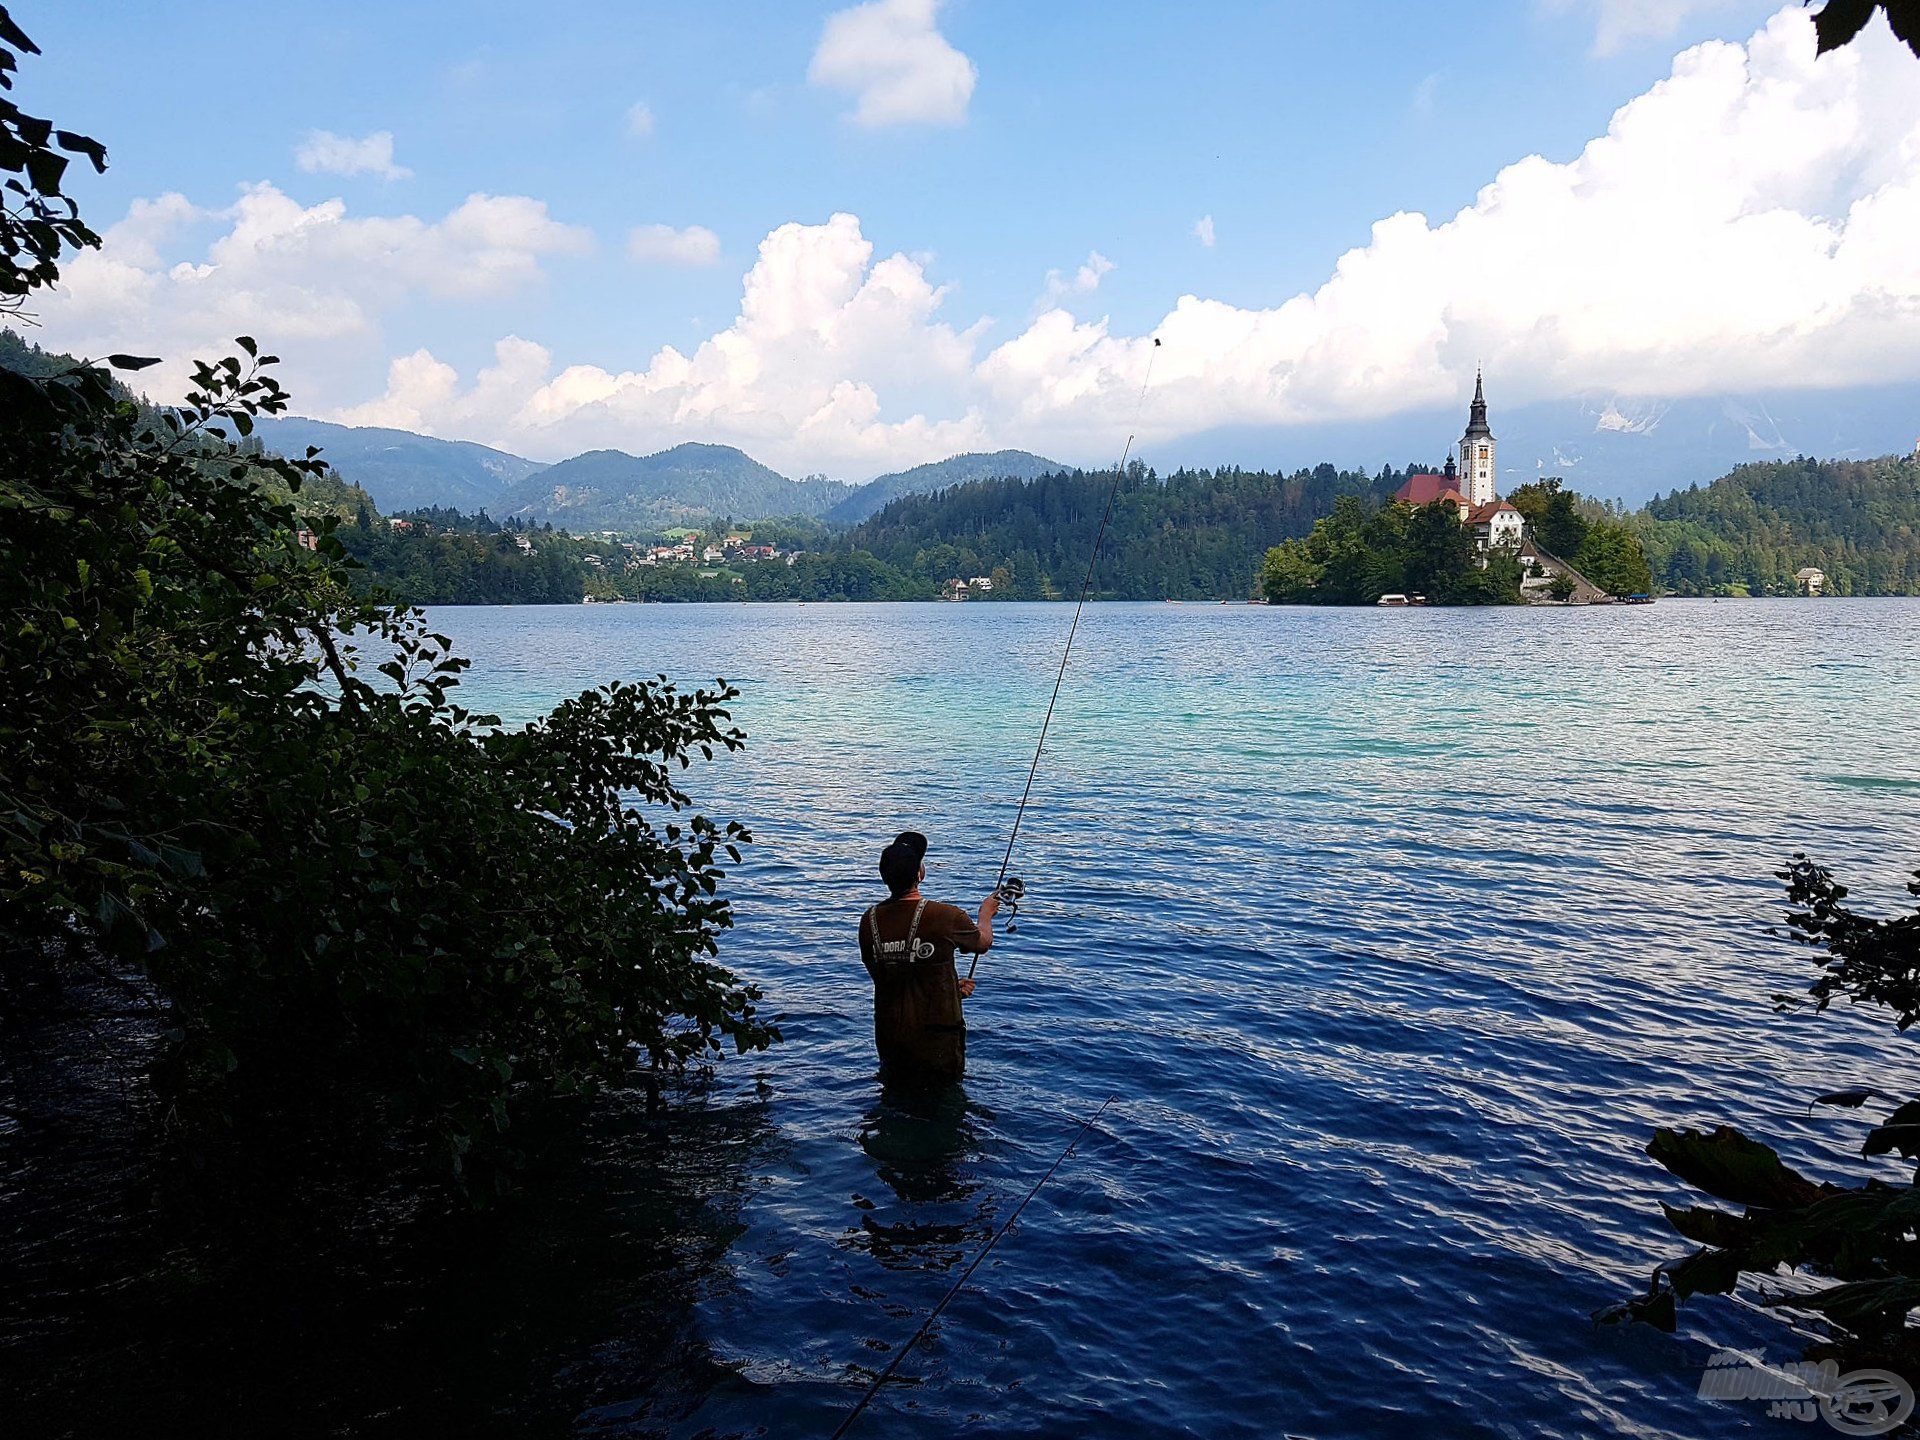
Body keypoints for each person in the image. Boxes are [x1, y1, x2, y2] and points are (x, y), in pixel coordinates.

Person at [858, 831, 999, 1086]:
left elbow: (888, 977)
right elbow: (983, 942)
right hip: (938, 1047)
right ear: (919, 874)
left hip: (891, 1043)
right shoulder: (945, 916)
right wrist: (986, 914)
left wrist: (949, 990)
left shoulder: (868, 922)